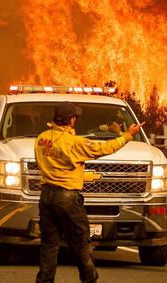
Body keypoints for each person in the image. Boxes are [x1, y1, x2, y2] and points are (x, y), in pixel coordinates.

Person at [34, 101, 143, 283]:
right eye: (75, 116)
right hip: (67, 198)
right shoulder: (75, 143)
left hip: (46, 196)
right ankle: (89, 280)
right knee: (81, 243)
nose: (75, 119)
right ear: (71, 120)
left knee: (49, 245)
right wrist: (127, 135)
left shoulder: (41, 138)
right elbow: (104, 148)